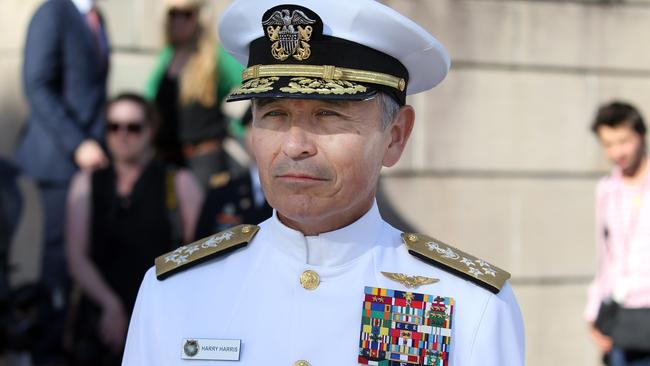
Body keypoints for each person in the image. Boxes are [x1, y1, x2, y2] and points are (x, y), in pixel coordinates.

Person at [123, 1, 525, 365]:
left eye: (329, 114)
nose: (295, 145)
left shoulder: (469, 305)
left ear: (396, 136)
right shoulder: (176, 293)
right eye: (274, 114)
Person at [65, 93, 203, 365]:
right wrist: (110, 305)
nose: (123, 135)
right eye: (113, 127)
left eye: (133, 127)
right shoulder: (86, 182)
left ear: (150, 130)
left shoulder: (178, 181)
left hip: (160, 315)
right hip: (97, 317)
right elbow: (76, 257)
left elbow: (197, 256)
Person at [14, 0, 110, 362]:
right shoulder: (52, 11)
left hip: (90, 163)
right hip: (58, 160)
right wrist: (78, 143)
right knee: (56, 262)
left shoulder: (97, 18)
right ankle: (45, 352)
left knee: (83, 257)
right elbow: (36, 84)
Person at [145, 0, 245, 188]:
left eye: (187, 14)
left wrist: (239, 125)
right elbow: (148, 99)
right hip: (167, 157)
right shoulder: (168, 55)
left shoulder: (213, 55)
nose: (179, 21)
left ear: (199, 17)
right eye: (173, 14)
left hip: (203, 159)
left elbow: (246, 82)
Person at [587, 101, 650, 366]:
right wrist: (594, 313)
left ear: (641, 135)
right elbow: (606, 257)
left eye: (623, 141)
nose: (617, 152)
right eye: (608, 144)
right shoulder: (606, 190)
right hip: (619, 317)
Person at [194, 107, 272, 238]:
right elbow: (199, 246)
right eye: (252, 127)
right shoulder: (222, 192)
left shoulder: (298, 192)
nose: (258, 136)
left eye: (268, 128)